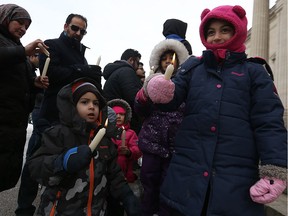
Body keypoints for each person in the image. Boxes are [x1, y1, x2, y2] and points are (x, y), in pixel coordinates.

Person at [146, 5, 287, 216]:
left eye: (224, 30)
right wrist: (161, 89)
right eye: (211, 32)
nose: (217, 37)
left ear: (238, 31)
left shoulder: (255, 72)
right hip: (186, 182)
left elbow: (269, 123)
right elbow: (170, 100)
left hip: (234, 187)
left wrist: (274, 169)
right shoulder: (193, 67)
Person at [27, 77, 140, 215]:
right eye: (84, 102)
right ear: (72, 106)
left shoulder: (104, 141)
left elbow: (114, 174)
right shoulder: (59, 134)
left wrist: (126, 195)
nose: (92, 106)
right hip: (59, 210)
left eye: (96, 103)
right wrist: (62, 162)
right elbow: (35, 167)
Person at [134, 38, 189, 215]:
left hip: (175, 145)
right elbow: (140, 109)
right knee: (149, 182)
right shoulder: (151, 81)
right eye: (164, 57)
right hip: (152, 142)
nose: (168, 61)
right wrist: (143, 97)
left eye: (171, 57)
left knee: (169, 186)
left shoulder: (184, 83)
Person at [0, 3, 49, 192]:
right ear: (5, 18)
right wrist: (23, 52)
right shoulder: (17, 49)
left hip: (12, 126)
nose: (23, 29)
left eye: (26, 26)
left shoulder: (16, 47)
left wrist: (34, 84)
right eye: (19, 23)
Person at [38, 13, 102, 127]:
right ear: (66, 26)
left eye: (82, 32)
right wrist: (82, 70)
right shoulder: (51, 45)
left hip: (74, 118)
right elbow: (51, 73)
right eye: (75, 28)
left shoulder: (81, 56)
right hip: (53, 115)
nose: (78, 33)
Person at [15, 54, 44, 216]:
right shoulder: (28, 70)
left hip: (44, 120)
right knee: (32, 167)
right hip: (41, 121)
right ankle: (24, 209)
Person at [106, 99, 142, 216]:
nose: (118, 117)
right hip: (109, 178)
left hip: (126, 176)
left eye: (121, 114)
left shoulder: (131, 133)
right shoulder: (105, 132)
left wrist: (129, 152)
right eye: (115, 114)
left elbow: (137, 150)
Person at [103, 48, 143, 134]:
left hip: (113, 117)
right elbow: (133, 96)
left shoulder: (116, 72)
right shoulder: (127, 71)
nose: (137, 67)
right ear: (131, 60)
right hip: (123, 121)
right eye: (138, 62)